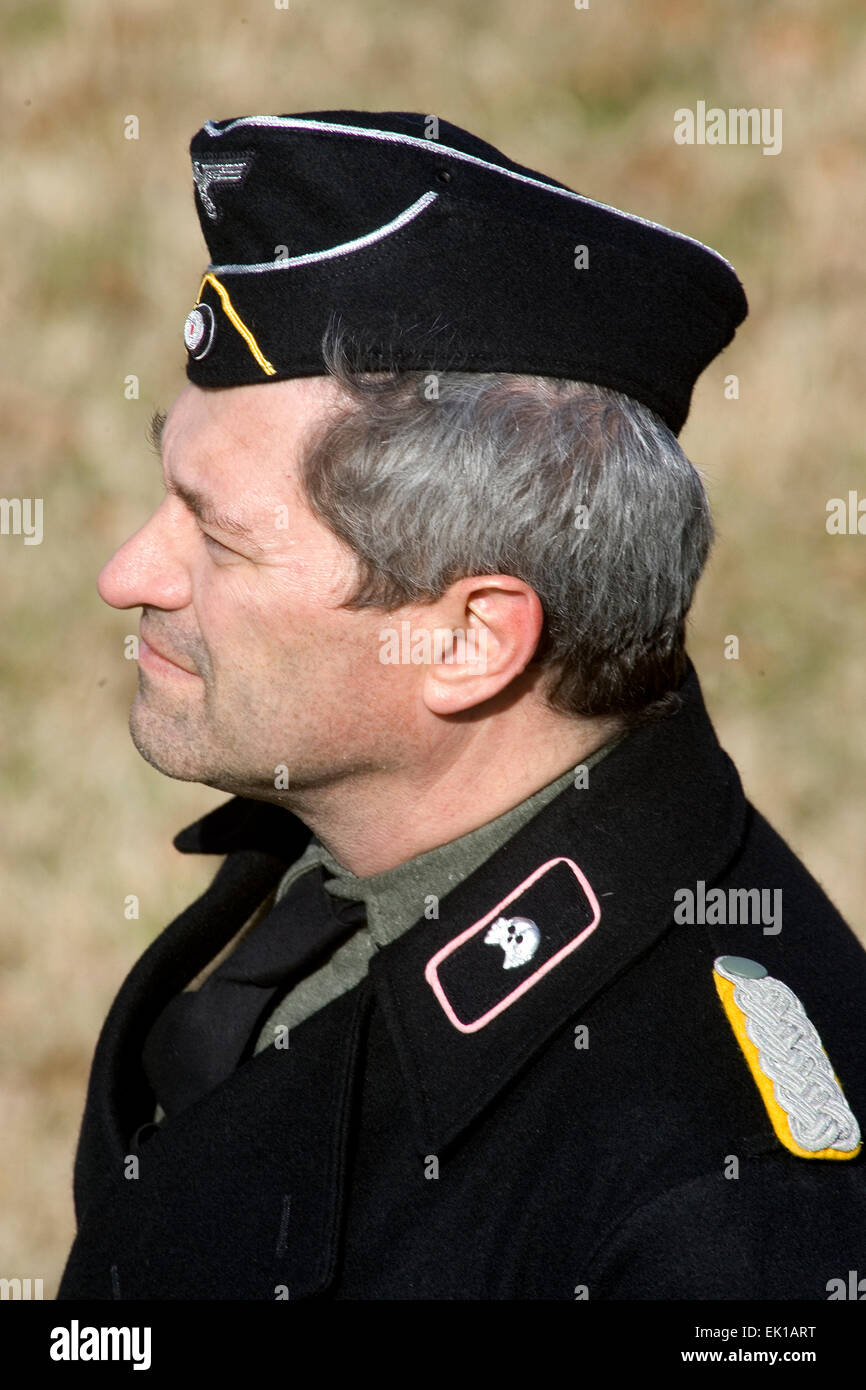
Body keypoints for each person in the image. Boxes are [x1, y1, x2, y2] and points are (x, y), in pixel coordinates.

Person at [59, 110, 866, 1301]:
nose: (125, 575)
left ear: (470, 639)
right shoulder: (353, 845)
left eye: (219, 539)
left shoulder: (718, 1219)